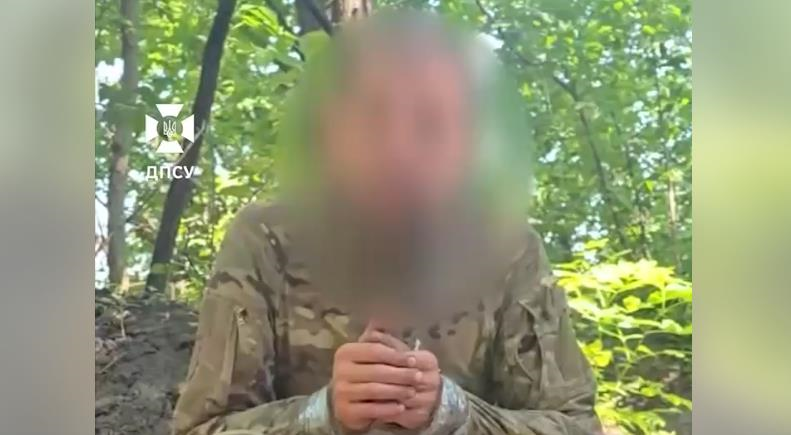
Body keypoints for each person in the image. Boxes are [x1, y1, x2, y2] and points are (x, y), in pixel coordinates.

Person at [172, 12, 601, 435]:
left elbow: (577, 426)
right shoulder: (267, 240)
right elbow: (200, 428)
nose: (400, 151)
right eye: (373, 118)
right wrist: (322, 415)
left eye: (431, 123)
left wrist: (451, 413)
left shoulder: (507, 251)